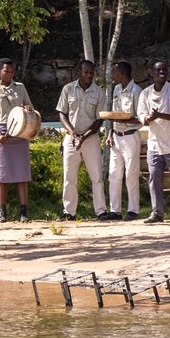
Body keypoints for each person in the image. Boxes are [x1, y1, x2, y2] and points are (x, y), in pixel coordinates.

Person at [0, 59, 36, 223]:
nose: (9, 74)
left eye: (12, 71)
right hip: (3, 133)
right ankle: (2, 212)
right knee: (2, 175)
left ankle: (23, 212)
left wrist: (28, 109)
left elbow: (30, 107)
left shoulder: (20, 88)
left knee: (22, 174)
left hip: (20, 132)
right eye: (6, 71)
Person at [55, 59, 108, 222]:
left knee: (97, 176)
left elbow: (100, 119)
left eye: (91, 73)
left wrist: (84, 136)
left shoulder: (99, 92)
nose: (89, 76)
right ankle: (69, 212)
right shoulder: (68, 89)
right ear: (79, 72)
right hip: (71, 139)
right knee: (69, 176)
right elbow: (62, 113)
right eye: (86, 72)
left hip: (90, 139)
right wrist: (72, 133)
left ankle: (101, 211)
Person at [139, 61, 170, 223]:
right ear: (151, 73)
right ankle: (157, 212)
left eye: (164, 70)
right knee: (154, 178)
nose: (162, 72)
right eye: (158, 70)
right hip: (154, 144)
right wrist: (149, 118)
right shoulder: (145, 94)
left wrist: (159, 115)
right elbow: (141, 116)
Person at [104, 61, 143, 221]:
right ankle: (115, 210)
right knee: (114, 173)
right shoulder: (116, 89)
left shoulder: (136, 91)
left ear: (123, 73)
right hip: (116, 136)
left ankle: (133, 209)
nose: (113, 75)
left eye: (115, 72)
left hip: (130, 136)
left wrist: (127, 119)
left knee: (131, 174)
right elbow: (113, 114)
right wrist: (109, 133)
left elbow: (141, 118)